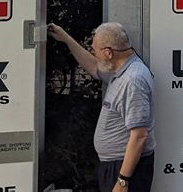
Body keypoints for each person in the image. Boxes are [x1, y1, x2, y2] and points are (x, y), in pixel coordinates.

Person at [48, 21, 155, 192]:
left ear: (108, 53)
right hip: (115, 165)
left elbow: (140, 136)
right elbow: (93, 66)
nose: (94, 54)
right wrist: (66, 38)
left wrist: (122, 181)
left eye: (95, 50)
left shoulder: (133, 80)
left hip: (125, 169)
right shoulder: (120, 71)